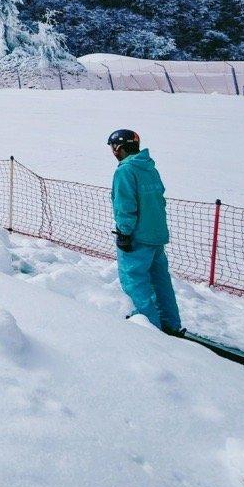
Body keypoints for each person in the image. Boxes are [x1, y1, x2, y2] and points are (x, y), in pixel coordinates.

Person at [108, 129, 184, 336]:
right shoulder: (149, 167)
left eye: (114, 148)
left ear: (120, 148)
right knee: (160, 281)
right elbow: (159, 199)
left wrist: (124, 232)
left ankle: (149, 330)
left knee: (135, 282)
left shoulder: (125, 171)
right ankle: (171, 323)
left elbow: (125, 205)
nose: (113, 153)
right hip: (156, 235)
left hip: (137, 238)